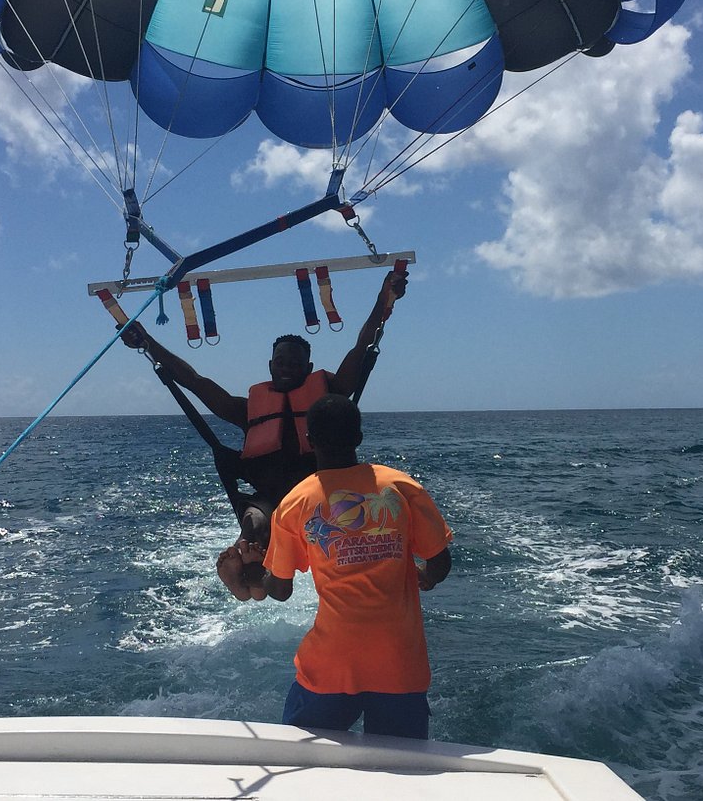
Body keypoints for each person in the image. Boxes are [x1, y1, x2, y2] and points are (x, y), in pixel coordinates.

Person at [219, 394, 453, 740]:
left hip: (331, 664)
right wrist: (425, 578)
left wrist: (262, 577)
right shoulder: (401, 487)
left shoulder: (295, 502)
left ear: (309, 441)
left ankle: (250, 576)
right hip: (400, 663)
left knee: (304, 755)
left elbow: (281, 591)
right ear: (358, 437)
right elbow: (440, 562)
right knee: (404, 771)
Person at [120, 269, 406, 547]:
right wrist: (148, 343)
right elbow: (194, 381)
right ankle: (250, 560)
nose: (286, 368)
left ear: (308, 368)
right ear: (270, 365)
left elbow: (361, 348)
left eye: (295, 364)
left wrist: (384, 301)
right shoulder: (247, 411)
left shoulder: (329, 397)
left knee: (332, 527)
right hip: (268, 499)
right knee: (253, 524)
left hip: (322, 495)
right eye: (280, 362)